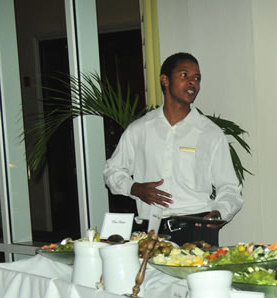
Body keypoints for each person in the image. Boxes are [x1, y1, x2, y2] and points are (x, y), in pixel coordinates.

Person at [104, 52, 242, 246]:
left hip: (197, 228)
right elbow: (111, 171)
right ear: (165, 80)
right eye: (184, 75)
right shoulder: (140, 129)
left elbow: (230, 188)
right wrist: (134, 188)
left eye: (197, 78)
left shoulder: (209, 133)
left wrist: (220, 212)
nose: (192, 83)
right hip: (151, 230)